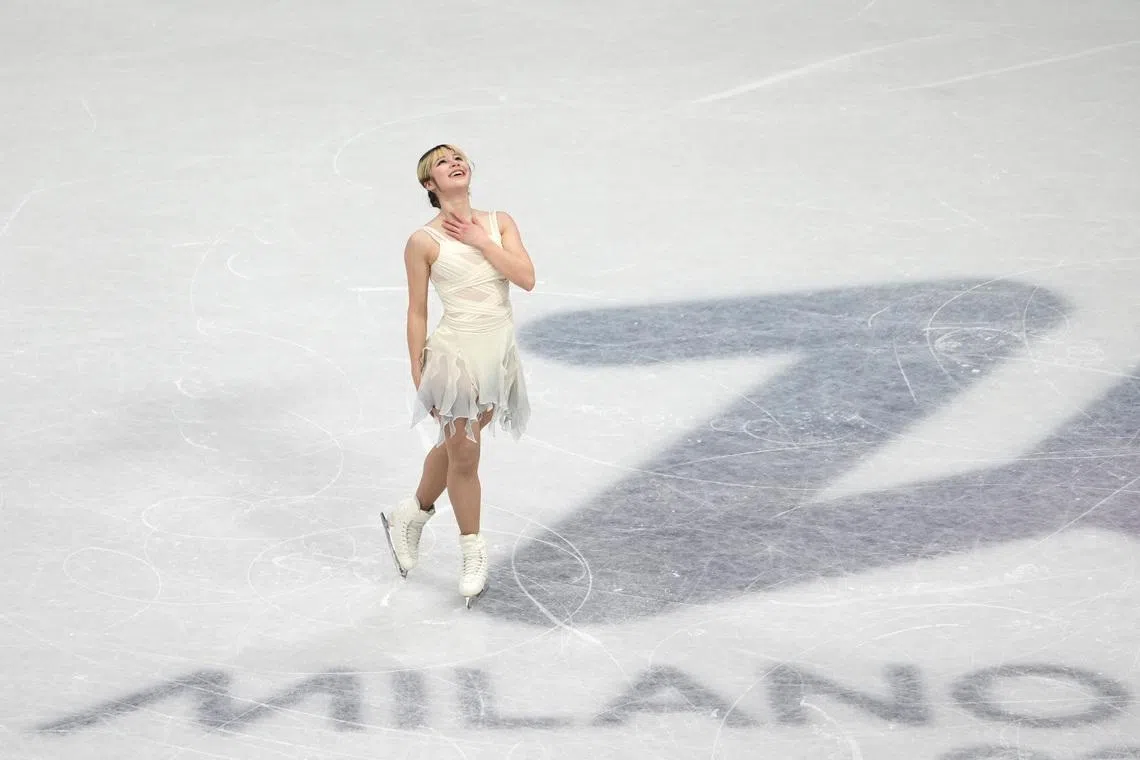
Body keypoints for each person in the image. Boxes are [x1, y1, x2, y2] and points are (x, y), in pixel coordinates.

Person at [383, 144, 535, 606]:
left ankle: (411, 514)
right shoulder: (423, 242)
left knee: (455, 447)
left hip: (497, 354)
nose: (455, 162)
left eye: (458, 157)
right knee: (466, 456)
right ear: (429, 183)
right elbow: (416, 310)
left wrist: (481, 241)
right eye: (442, 162)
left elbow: (526, 278)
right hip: (455, 356)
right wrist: (418, 369)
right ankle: (473, 550)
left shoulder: (499, 223)